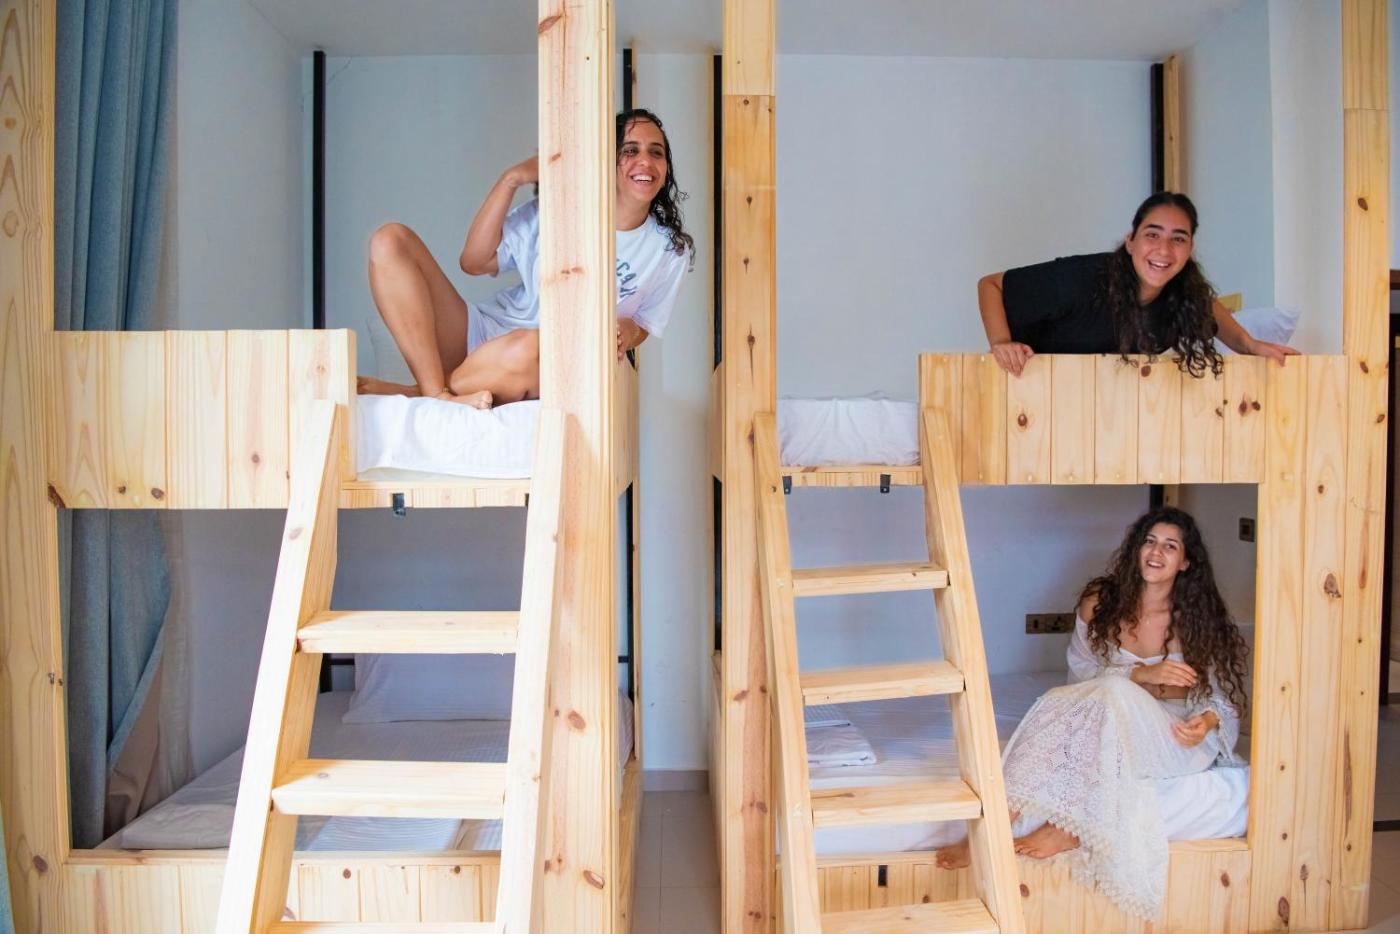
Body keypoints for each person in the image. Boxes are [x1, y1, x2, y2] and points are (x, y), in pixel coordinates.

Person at [935, 507, 1250, 921]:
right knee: (1062, 700)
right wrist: (1142, 674)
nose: (1156, 552)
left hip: (1172, 735)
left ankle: (1067, 828)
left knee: (1111, 691)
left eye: (1170, 547)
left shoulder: (1197, 620)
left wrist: (1206, 722)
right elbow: (1081, 675)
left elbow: (1223, 701)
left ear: (1185, 562)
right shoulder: (1101, 603)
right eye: (1150, 541)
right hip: (1107, 714)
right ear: (1137, 549)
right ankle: (993, 825)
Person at [358, 108, 693, 408]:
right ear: (608, 161)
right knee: (390, 240)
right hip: (481, 334)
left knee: (534, 346)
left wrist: (628, 331)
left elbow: (645, 322)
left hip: (534, 360)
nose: (645, 161)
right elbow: (473, 262)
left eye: (656, 152)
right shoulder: (559, 210)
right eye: (630, 150)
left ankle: (421, 394)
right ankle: (434, 393)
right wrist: (511, 179)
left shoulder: (670, 249)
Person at [977, 192, 1296, 377]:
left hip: (1090, 400)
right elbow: (990, 285)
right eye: (1152, 235)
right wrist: (1002, 343)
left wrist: (1248, 344)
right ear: (1130, 242)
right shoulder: (1083, 278)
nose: (1164, 250)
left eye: (1178, 239)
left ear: (1190, 249)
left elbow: (1207, 305)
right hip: (1023, 383)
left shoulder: (1182, 297)